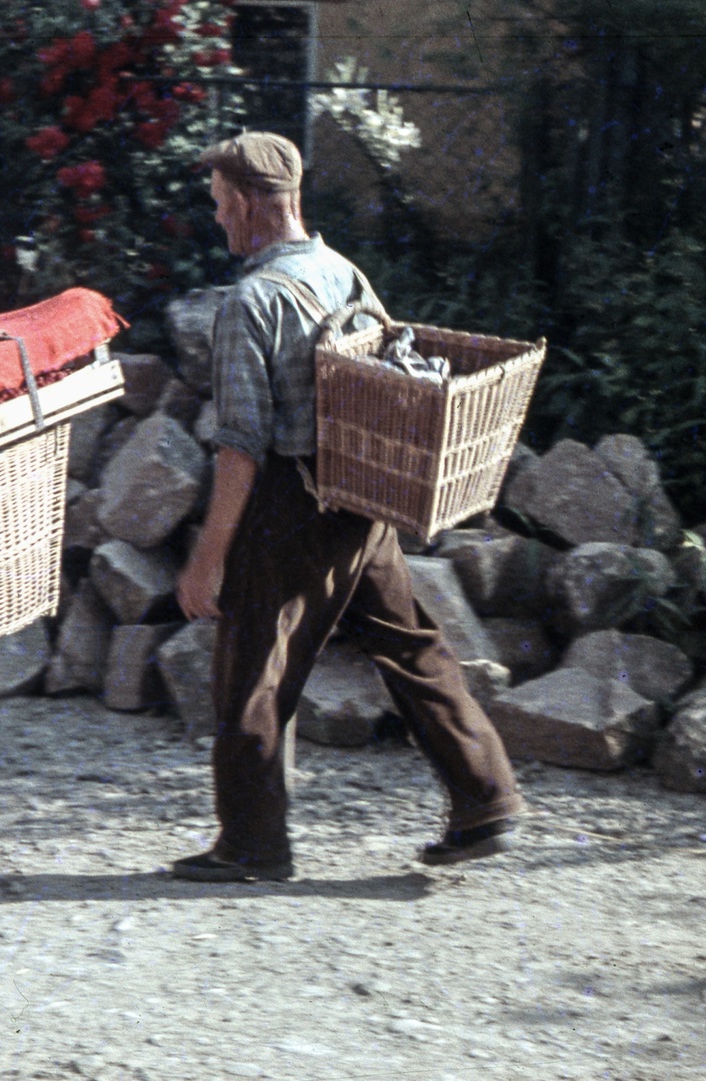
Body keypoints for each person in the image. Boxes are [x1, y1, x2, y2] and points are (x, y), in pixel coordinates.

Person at [171, 133, 527, 883]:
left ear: (242, 202)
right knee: (408, 641)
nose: (216, 219)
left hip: (289, 502)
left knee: (254, 670)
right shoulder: (345, 274)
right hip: (362, 495)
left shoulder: (252, 301)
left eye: (217, 205)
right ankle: (485, 795)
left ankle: (251, 846)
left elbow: (240, 447)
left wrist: (209, 558)